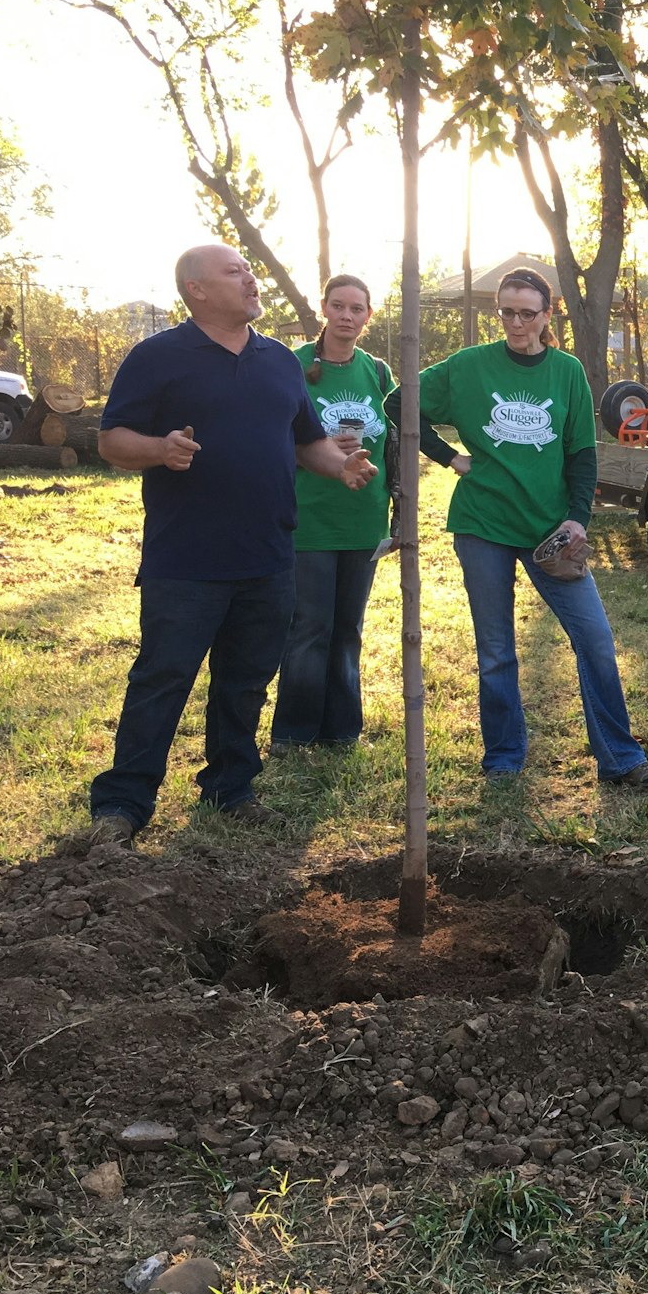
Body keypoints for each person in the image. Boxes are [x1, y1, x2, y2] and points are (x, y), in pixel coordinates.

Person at [82, 244, 378, 846]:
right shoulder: (157, 356)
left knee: (246, 680)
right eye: (235, 271)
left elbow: (304, 442)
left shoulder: (280, 363)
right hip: (186, 558)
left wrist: (337, 465)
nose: (251, 277)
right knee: (163, 679)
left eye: (248, 268)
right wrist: (159, 449)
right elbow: (112, 441)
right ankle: (122, 804)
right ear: (196, 289)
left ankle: (231, 788)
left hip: (269, 555)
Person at [407, 267, 648, 787]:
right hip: (483, 525)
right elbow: (401, 401)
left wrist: (577, 518)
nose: (516, 322)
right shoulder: (469, 366)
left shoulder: (567, 371)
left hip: (551, 531)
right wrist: (448, 457)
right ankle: (504, 758)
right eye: (507, 311)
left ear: (547, 316)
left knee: (594, 639)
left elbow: (581, 454)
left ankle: (619, 758)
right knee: (497, 651)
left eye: (528, 312)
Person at [271, 274, 395, 750]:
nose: (347, 316)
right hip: (310, 518)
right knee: (310, 628)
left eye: (356, 308)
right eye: (338, 306)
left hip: (363, 519)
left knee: (348, 630)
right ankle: (293, 733)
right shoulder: (292, 365)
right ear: (323, 308)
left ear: (368, 315)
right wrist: (321, 448)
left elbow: (394, 442)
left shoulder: (378, 372)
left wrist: (400, 503)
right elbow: (272, 431)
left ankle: (342, 730)